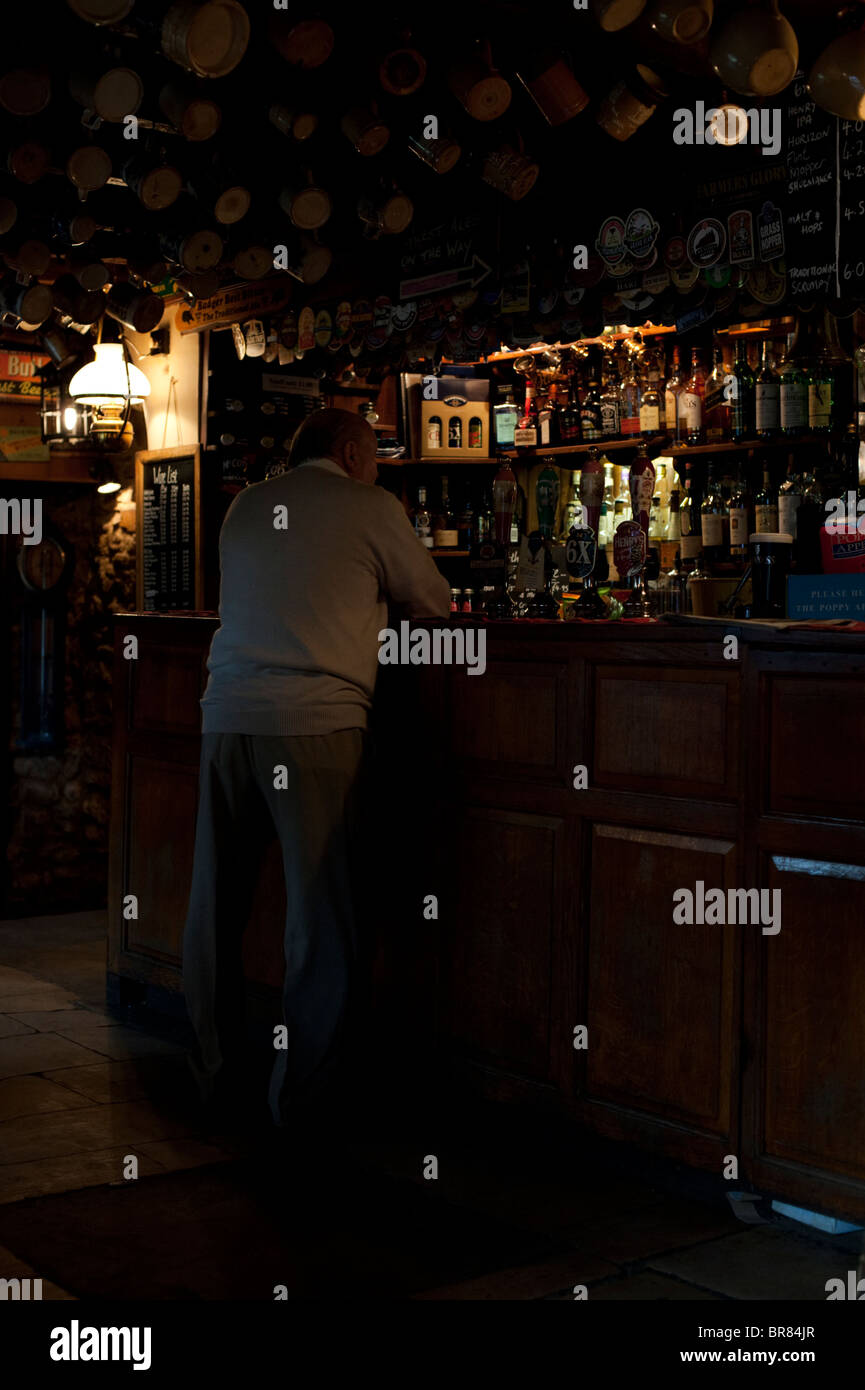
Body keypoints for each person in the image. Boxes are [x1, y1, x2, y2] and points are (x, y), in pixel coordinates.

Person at [182, 408, 450, 1131]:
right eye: (375, 457)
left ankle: (212, 1077)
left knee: (214, 906)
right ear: (352, 450)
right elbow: (434, 602)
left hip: (227, 716)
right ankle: (302, 1099)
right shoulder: (370, 505)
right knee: (320, 916)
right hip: (315, 724)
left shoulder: (244, 504)